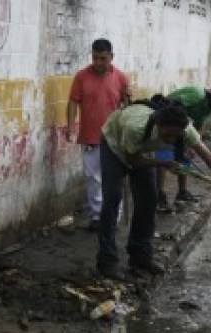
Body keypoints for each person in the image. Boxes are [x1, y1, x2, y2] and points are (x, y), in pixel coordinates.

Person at [96, 99, 211, 280]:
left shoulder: (185, 128)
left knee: (149, 200)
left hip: (142, 150)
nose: (171, 140)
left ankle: (140, 254)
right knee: (112, 199)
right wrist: (163, 163)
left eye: (175, 137)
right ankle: (107, 261)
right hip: (114, 146)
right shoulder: (137, 128)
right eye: (167, 135)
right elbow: (132, 159)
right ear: (158, 125)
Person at [67, 38, 130, 232]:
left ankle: (113, 218)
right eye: (95, 58)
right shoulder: (81, 76)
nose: (98, 62)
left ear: (111, 57)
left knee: (113, 179)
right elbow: (73, 102)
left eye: (103, 58)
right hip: (90, 135)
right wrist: (70, 126)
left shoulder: (121, 78)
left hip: (114, 138)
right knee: (92, 178)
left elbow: (127, 106)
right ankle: (96, 217)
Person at [154, 86, 211, 212]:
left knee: (185, 158)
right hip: (168, 122)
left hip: (182, 127)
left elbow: (198, 124)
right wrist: (173, 133)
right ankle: (160, 196)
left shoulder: (207, 108)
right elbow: (173, 105)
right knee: (164, 157)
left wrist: (191, 144)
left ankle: (182, 192)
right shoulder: (197, 95)